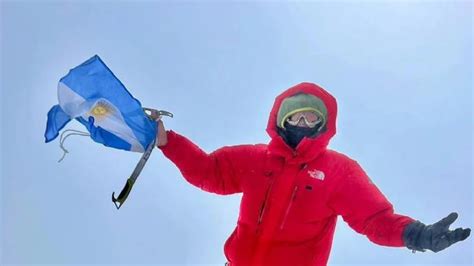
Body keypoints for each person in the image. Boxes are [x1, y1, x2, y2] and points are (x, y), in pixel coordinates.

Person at [156, 82, 470, 266]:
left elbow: (374, 219)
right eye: (297, 115)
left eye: (312, 118)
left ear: (323, 125)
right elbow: (209, 172)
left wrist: (418, 235)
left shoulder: (338, 170)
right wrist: (168, 141)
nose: (304, 123)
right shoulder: (254, 158)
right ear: (281, 119)